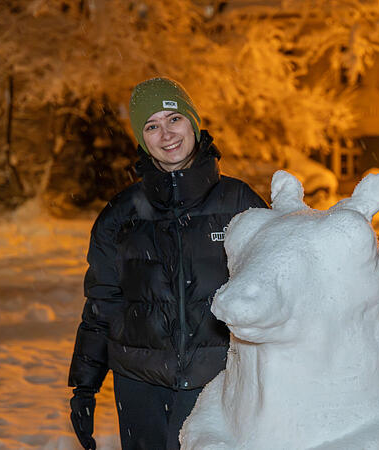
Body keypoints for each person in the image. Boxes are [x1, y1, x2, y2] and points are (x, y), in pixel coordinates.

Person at [67, 77, 267, 450]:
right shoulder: (120, 215)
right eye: (151, 126)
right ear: (142, 139)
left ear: (192, 121)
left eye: (173, 119)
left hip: (220, 380)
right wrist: (85, 384)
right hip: (140, 388)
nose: (166, 134)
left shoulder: (239, 202)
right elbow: (102, 303)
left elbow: (281, 283)